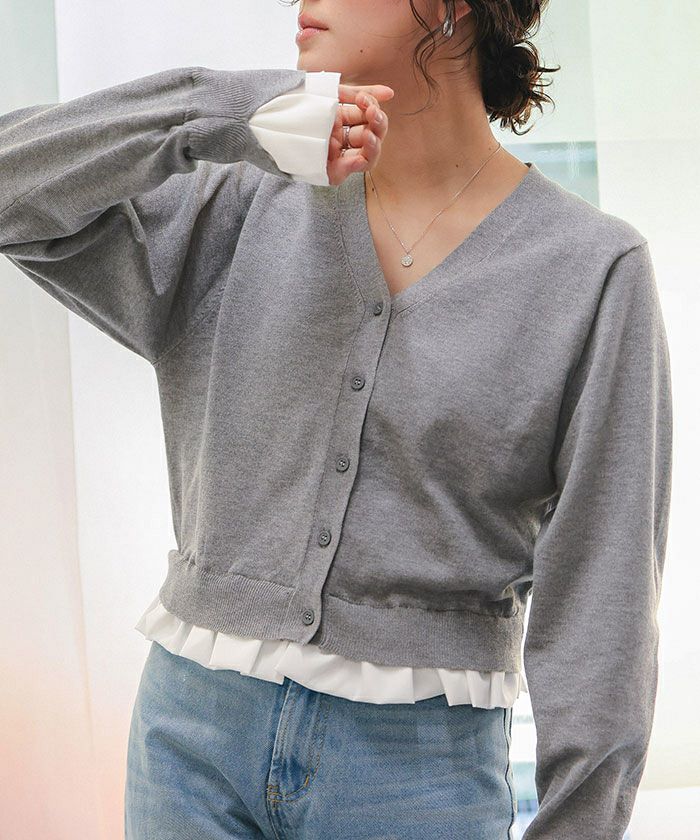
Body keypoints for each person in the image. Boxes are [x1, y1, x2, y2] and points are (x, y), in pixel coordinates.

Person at [0, 1, 672, 839]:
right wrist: (225, 115)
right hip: (188, 748)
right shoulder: (241, 202)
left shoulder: (591, 271)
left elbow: (604, 606)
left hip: (417, 777)